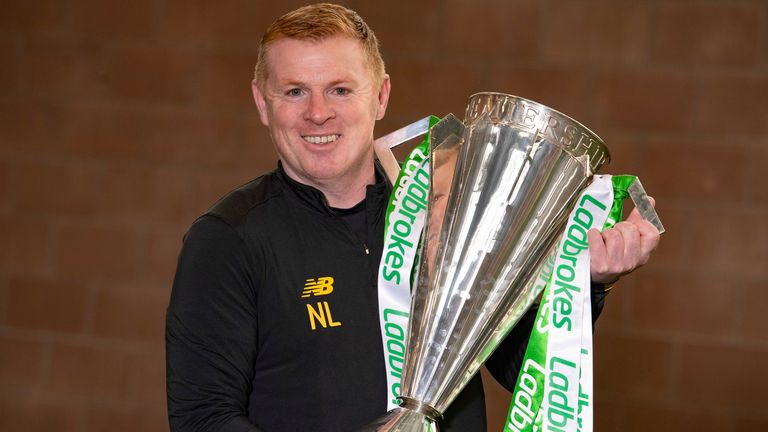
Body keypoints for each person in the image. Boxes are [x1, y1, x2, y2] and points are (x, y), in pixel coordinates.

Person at [165, 4, 660, 432]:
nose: (318, 113)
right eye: (294, 91)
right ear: (262, 102)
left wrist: (587, 283)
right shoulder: (229, 239)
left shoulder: (448, 214)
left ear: (380, 96)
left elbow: (516, 370)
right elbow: (202, 418)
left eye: (340, 90)